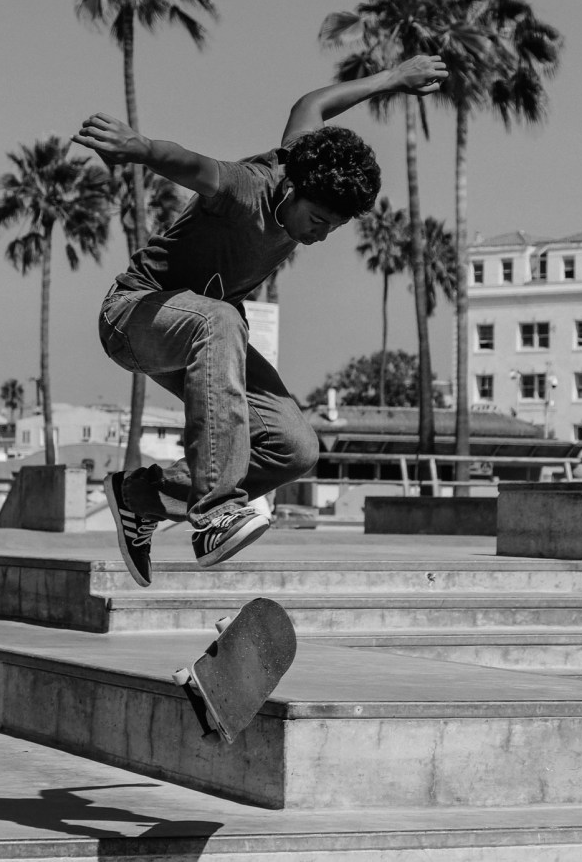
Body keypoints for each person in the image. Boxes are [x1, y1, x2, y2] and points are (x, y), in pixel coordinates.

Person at [72, 54, 448, 586]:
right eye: (316, 220)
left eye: (332, 228)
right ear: (291, 192)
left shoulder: (304, 159)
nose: (318, 236)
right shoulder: (249, 186)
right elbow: (193, 165)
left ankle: (140, 496)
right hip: (134, 316)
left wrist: (394, 78)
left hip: (206, 340)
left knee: (295, 448)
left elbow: (312, 104)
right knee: (222, 319)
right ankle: (214, 512)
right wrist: (141, 148)